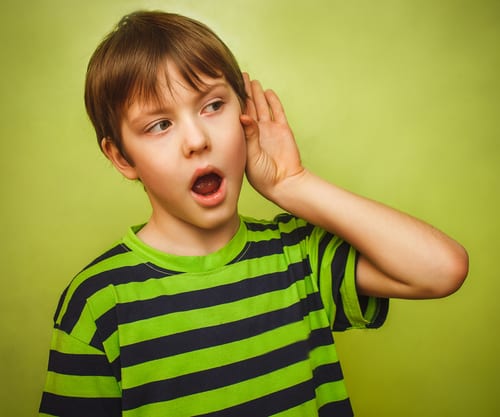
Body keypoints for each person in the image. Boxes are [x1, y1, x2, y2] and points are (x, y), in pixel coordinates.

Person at [38, 10, 468, 417]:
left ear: (245, 114)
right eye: (160, 125)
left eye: (212, 106)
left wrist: (292, 183)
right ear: (121, 157)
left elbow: (440, 270)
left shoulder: (299, 257)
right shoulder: (98, 303)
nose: (196, 140)